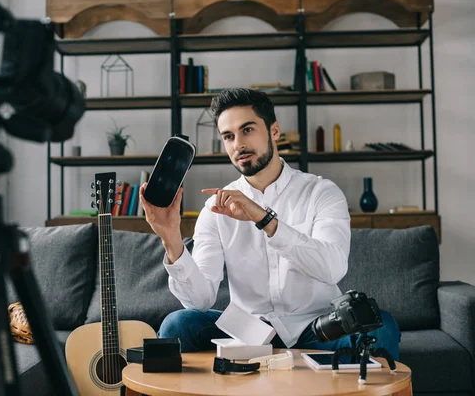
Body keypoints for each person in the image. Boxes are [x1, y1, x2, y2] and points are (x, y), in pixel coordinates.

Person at [138, 88, 401, 360]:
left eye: (247, 130)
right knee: (177, 324)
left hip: (318, 328)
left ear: (274, 131)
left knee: (381, 326)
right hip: (248, 330)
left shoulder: (321, 192)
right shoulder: (215, 209)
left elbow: (333, 269)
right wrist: (170, 237)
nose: (238, 144)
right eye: (228, 136)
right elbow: (200, 300)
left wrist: (265, 219)